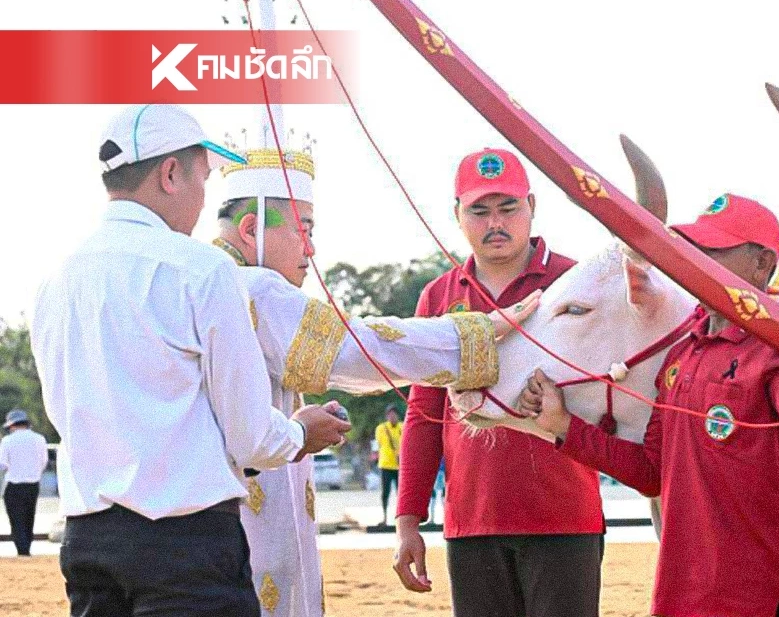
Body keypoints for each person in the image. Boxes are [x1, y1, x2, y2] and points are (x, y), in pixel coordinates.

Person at [30, 104, 350, 617]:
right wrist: (298, 435)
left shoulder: (56, 281)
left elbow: (66, 414)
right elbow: (250, 433)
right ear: (171, 173)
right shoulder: (198, 269)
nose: (205, 201)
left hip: (89, 543)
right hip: (187, 546)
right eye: (203, 178)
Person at [213, 141, 536, 616]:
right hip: (235, 532)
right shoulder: (250, 287)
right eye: (303, 229)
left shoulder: (191, 278)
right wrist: (481, 332)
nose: (312, 248)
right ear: (251, 229)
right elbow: (359, 350)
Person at [519, 194, 779, 617]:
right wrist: (563, 424)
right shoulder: (681, 356)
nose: (693, 264)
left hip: (755, 598)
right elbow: (652, 472)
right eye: (690, 251)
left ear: (763, 264)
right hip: (678, 594)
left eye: (711, 252)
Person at [394, 148, 605, 617]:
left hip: (564, 516)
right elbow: (425, 412)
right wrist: (408, 519)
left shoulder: (575, 282)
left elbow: (608, 393)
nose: (496, 223)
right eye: (479, 211)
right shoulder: (440, 295)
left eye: (508, 208)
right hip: (472, 521)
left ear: (532, 206)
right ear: (457, 215)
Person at [0, 410, 48, 556]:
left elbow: (3, 464)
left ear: (12, 425)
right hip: (32, 484)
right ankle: (27, 547)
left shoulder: (7, 441)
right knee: (29, 517)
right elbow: (44, 461)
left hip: (13, 485)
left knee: (16, 519)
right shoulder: (39, 439)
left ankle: (22, 550)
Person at [375, 406, 402, 525]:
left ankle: (400, 519)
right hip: (386, 464)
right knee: (385, 492)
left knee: (400, 493)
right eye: (390, 414)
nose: (392, 417)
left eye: (394, 414)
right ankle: (384, 517)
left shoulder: (403, 427)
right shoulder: (381, 428)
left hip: (400, 465)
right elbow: (379, 444)